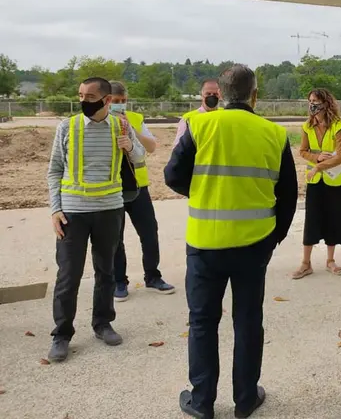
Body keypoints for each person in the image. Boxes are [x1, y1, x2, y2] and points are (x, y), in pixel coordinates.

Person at [165, 65, 298, 418]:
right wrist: (275, 237)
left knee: (203, 322)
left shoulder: (199, 125)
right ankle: (245, 400)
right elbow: (288, 195)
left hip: (205, 244)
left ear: (220, 95)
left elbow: (172, 176)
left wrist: (204, 191)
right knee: (248, 321)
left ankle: (202, 401)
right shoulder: (274, 133)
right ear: (255, 94)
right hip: (254, 245)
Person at [46, 77, 146, 362]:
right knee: (68, 275)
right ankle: (61, 334)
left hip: (109, 211)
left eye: (89, 97)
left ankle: (103, 324)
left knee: (106, 272)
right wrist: (55, 209)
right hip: (72, 214)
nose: (83, 101)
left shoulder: (121, 125)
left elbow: (140, 159)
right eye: (80, 95)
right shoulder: (67, 127)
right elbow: (54, 171)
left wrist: (129, 146)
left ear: (105, 100)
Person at [108, 81, 175, 301]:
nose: (119, 105)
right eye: (115, 101)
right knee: (115, 238)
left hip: (138, 187)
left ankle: (153, 277)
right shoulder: (99, 122)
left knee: (149, 232)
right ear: (106, 101)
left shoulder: (135, 119)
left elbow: (152, 147)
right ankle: (119, 281)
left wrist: (131, 129)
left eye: (123, 101)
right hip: (112, 189)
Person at [292, 88, 341, 279]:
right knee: (312, 219)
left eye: (316, 101)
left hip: (334, 181)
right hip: (315, 181)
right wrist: (317, 157)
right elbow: (302, 151)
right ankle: (306, 262)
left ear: (326, 104)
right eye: (310, 101)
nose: (312, 105)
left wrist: (318, 167)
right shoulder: (307, 127)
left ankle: (330, 260)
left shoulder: (338, 127)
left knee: (333, 219)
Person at [173, 78, 221, 147]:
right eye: (208, 94)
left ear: (220, 95)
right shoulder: (188, 119)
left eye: (215, 94)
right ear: (201, 94)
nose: (212, 96)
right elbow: (178, 147)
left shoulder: (225, 115)